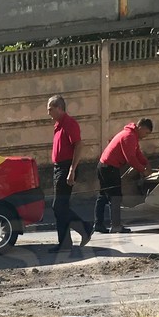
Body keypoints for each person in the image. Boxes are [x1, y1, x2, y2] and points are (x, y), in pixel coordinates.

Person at [46, 95, 93, 253]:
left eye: (50, 109)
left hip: (66, 168)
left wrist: (72, 170)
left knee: (58, 206)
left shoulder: (69, 124)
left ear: (59, 108)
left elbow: (78, 146)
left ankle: (85, 228)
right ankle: (65, 242)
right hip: (59, 168)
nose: (48, 113)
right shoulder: (59, 125)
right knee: (61, 206)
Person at [94, 119, 154, 234]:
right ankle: (116, 226)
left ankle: (98, 224)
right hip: (110, 167)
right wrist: (143, 171)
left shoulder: (131, 135)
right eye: (146, 133)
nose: (145, 136)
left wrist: (147, 163)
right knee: (115, 196)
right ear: (141, 127)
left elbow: (137, 154)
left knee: (103, 196)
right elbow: (130, 159)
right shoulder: (129, 136)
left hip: (103, 165)